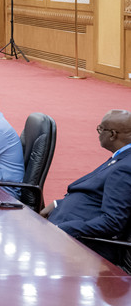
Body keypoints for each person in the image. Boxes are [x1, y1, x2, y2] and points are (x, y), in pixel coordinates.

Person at [41, 110, 131, 265]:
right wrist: (58, 204)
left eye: (100, 129)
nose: (98, 134)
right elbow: (97, 194)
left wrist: (64, 229)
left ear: (112, 135)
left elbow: (112, 222)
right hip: (64, 226)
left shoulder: (124, 168)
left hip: (81, 244)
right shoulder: (122, 157)